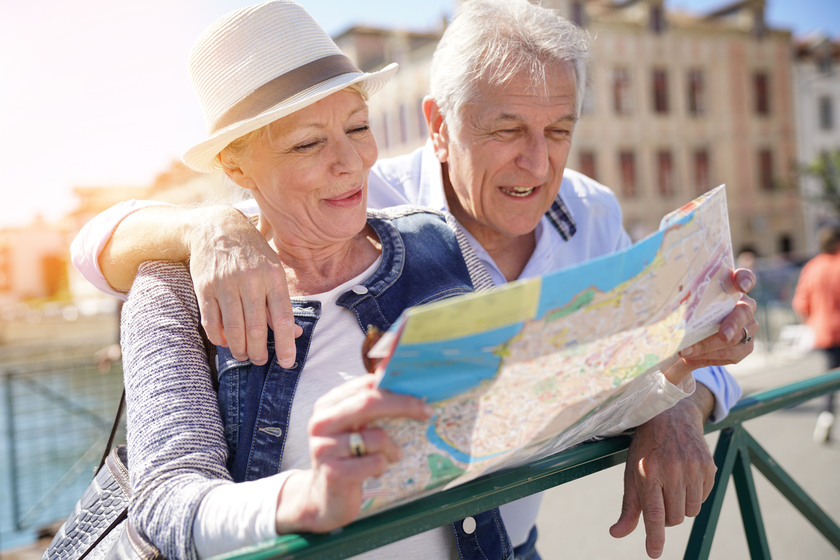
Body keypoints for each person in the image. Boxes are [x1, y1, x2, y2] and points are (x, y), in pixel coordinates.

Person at [71, 1, 757, 558]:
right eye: (308, 143)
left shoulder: (438, 240)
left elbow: (544, 402)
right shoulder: (174, 285)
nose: (350, 164)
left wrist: (677, 378)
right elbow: (169, 502)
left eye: (358, 127)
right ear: (235, 167)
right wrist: (310, 498)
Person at [792, 224, 840, 443]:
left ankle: (825, 416)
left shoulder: (813, 267)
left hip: (824, 331)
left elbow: (800, 303)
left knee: (830, 375)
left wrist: (811, 323)